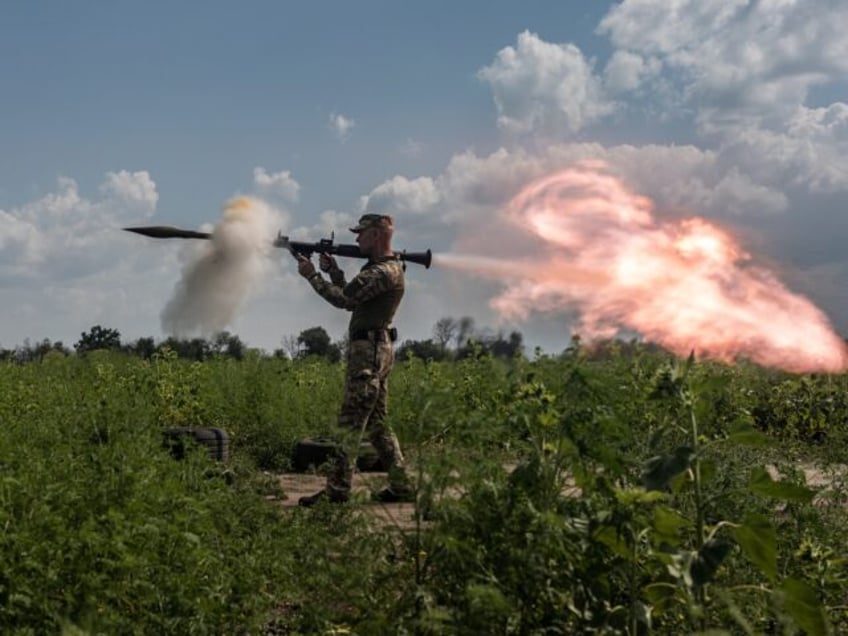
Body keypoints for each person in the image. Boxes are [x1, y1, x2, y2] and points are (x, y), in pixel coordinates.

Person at [295, 213, 413, 506]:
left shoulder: (382, 272)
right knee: (377, 424)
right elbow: (353, 296)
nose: (357, 238)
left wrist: (311, 275)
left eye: (361, 233)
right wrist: (334, 272)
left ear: (376, 234)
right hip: (377, 349)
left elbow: (343, 300)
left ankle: (337, 491)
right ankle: (402, 486)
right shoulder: (384, 269)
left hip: (369, 354)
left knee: (350, 422)